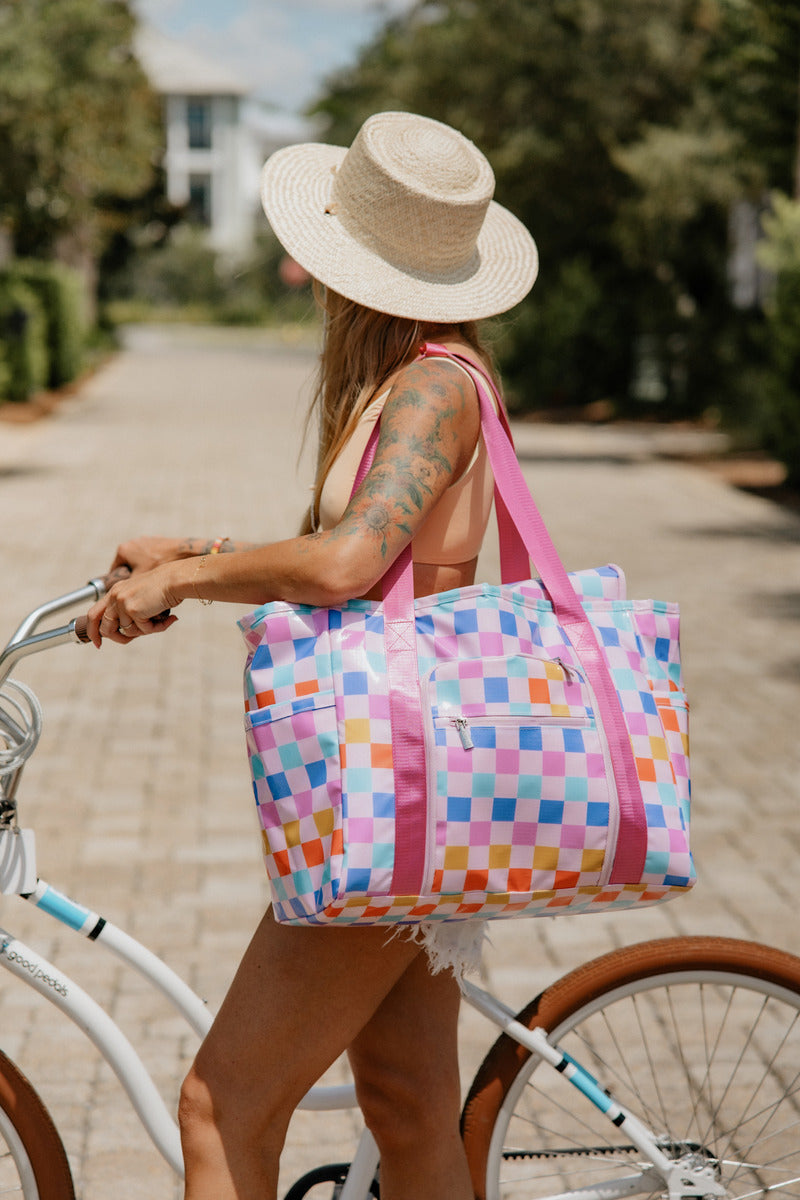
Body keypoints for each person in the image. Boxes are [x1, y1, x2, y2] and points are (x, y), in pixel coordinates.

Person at [87, 111, 538, 1200]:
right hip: (412, 776)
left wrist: (185, 580)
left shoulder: (434, 385)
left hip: (396, 789)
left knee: (220, 1107)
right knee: (409, 1107)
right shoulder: (411, 380)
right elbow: (375, 560)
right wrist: (192, 547)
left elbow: (344, 566)